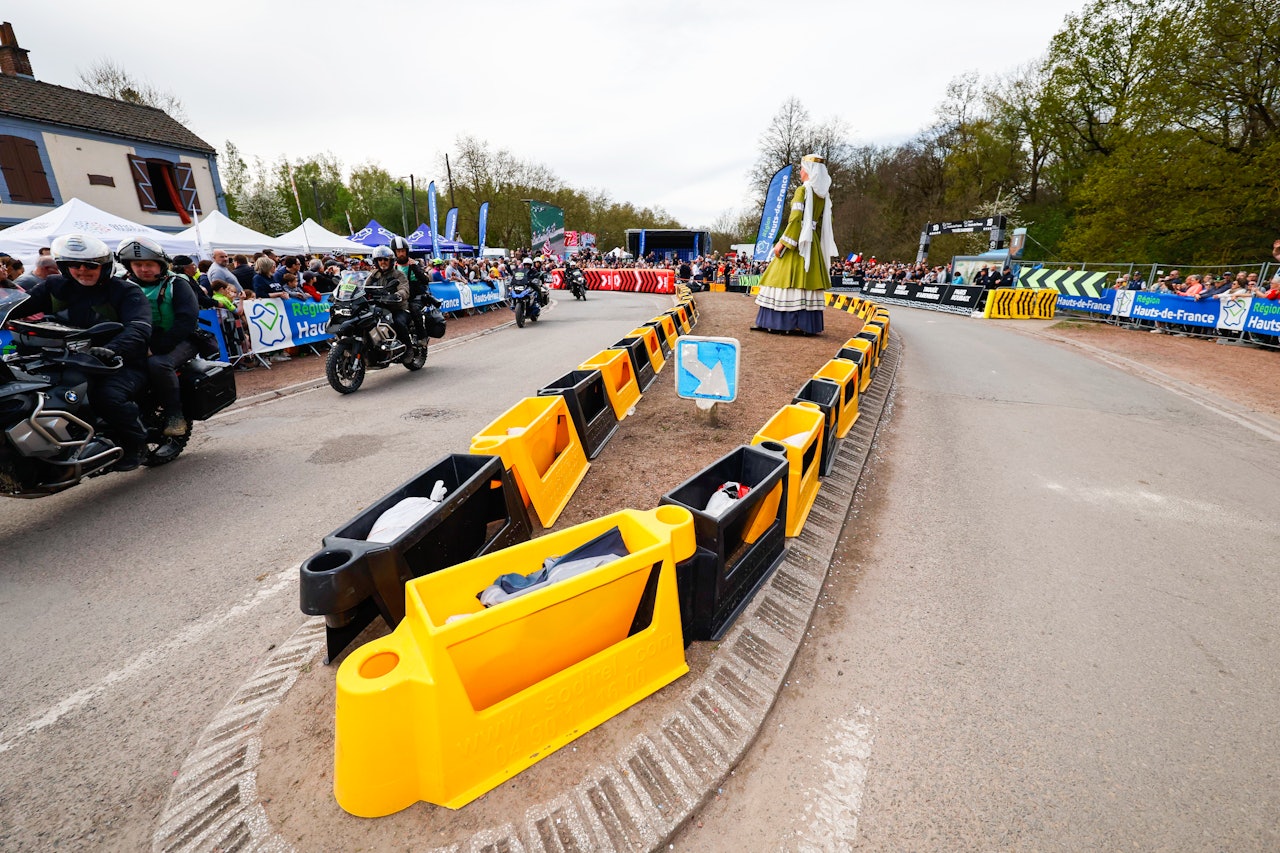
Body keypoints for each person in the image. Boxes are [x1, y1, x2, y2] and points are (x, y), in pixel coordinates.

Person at [10, 234, 152, 470]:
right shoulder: (55, 287)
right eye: (74, 265)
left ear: (104, 266)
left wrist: (110, 349)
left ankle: (137, 444)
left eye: (90, 266)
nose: (82, 270)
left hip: (116, 362)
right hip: (66, 359)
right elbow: (19, 307)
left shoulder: (125, 291)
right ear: (65, 267)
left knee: (108, 397)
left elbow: (140, 327)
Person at [117, 237, 200, 439]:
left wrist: (157, 347)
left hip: (179, 339)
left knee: (158, 364)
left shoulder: (177, 284)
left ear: (160, 265)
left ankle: (174, 414)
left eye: (149, 264)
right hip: (138, 341)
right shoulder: (122, 285)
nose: (143, 269)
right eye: (138, 264)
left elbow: (186, 321)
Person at [389, 236, 442, 335]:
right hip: (399, 297)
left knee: (414, 309)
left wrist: (416, 269)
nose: (401, 254)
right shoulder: (393, 267)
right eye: (398, 251)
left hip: (415, 296)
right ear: (394, 252)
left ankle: (422, 335)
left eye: (403, 251)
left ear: (407, 251)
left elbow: (425, 280)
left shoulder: (414, 264)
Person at [364, 245, 414, 349]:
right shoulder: (374, 274)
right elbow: (363, 286)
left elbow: (404, 289)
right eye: (380, 259)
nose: (382, 262)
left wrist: (397, 295)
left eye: (385, 259)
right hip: (378, 307)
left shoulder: (398, 274)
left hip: (397, 308)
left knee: (398, 322)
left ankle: (408, 349)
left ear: (391, 260)